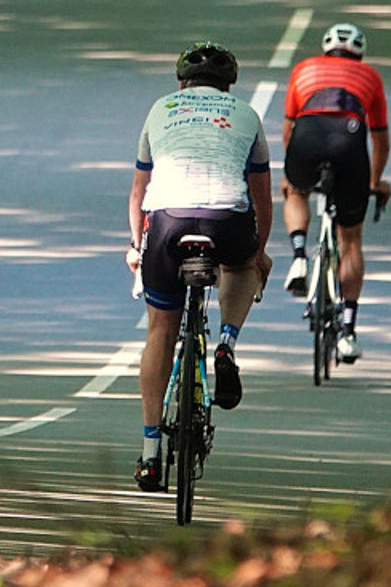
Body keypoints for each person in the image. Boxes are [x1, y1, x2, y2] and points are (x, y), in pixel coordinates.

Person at [127, 42, 273, 493]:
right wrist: (257, 252)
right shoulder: (246, 114)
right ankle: (226, 343)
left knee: (160, 332)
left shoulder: (159, 109)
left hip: (167, 222)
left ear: (180, 84)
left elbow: (138, 193)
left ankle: (151, 453)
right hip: (226, 219)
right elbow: (263, 199)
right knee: (241, 263)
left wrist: (137, 246)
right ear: (230, 86)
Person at [280, 23, 390, 363]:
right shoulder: (369, 76)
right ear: (359, 53)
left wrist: (293, 176)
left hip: (308, 135)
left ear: (326, 49)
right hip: (350, 139)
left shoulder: (303, 69)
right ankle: (348, 330)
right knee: (351, 239)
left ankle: (299, 256)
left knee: (295, 192)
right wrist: (374, 181)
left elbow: (288, 132)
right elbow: (380, 139)